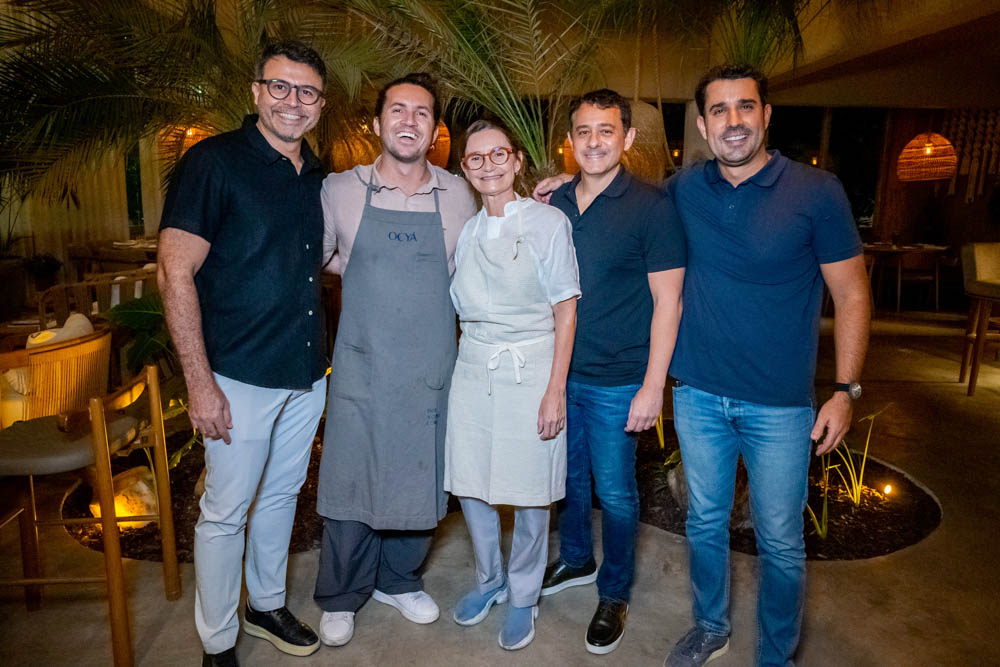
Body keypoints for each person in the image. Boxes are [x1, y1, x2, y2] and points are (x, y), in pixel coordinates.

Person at [662, 64, 870, 667]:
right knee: (704, 522)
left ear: (766, 115)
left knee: (780, 541)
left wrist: (845, 390)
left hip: (780, 406)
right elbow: (620, 203)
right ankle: (710, 627)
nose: (733, 122)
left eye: (745, 107)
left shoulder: (816, 192)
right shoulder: (682, 189)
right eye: (719, 111)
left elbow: (852, 295)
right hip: (698, 394)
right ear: (703, 125)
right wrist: (560, 187)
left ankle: (775, 656)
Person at [158, 41, 328, 666]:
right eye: (279, 87)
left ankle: (266, 604)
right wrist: (200, 384)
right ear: (256, 91)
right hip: (237, 374)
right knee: (225, 512)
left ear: (320, 104)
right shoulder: (214, 163)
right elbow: (174, 273)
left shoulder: (318, 174)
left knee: (282, 497)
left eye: (306, 91)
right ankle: (217, 641)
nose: (292, 101)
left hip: (306, 371)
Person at [313, 73, 476, 647]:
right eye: (398, 110)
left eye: (422, 113)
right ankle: (341, 593)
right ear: (377, 122)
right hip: (362, 363)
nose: (409, 121)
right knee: (350, 475)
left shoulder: (459, 194)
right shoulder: (339, 189)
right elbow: (321, 258)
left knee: (419, 470)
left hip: (429, 364)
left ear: (435, 129)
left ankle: (399, 579)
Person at [535, 89, 687, 655]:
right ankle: (577, 557)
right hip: (559, 373)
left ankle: (615, 591)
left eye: (606, 130)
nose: (594, 141)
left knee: (617, 493)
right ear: (569, 141)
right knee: (570, 480)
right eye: (584, 131)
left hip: (619, 379)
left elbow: (668, 302)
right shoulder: (554, 203)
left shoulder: (652, 207)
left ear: (627, 138)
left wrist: (652, 387)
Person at [444, 119, 581, 650]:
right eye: (475, 158)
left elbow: (565, 310)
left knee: (530, 492)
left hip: (532, 366)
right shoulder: (468, 231)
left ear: (518, 160)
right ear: (465, 169)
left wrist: (555, 389)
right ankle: (489, 581)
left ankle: (524, 595)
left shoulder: (548, 222)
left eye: (498, 154)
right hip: (474, 366)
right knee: (471, 484)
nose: (488, 166)